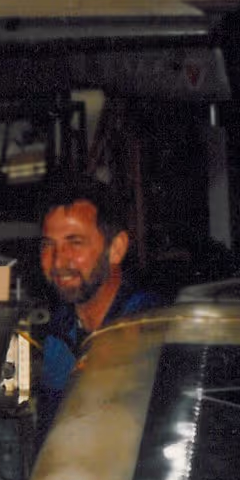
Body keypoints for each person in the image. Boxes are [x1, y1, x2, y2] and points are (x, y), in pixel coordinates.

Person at [34, 176, 161, 432]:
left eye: (75, 243)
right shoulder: (58, 334)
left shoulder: (149, 328)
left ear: (116, 248)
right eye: (48, 245)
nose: (58, 262)